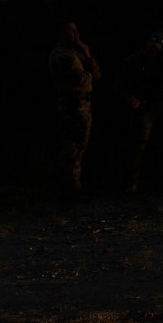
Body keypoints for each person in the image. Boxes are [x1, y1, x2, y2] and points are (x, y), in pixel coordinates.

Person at [113, 30, 163, 194]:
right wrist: (129, 98)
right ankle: (132, 183)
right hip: (143, 107)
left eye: (158, 45)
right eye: (152, 45)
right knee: (139, 143)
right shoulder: (133, 62)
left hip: (162, 105)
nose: (154, 49)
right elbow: (118, 84)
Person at [48, 20, 101, 202]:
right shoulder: (62, 55)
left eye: (76, 30)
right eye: (70, 30)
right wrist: (88, 67)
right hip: (72, 105)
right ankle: (67, 190)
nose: (75, 34)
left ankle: (74, 187)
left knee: (80, 146)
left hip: (82, 105)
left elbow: (97, 74)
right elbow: (83, 79)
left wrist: (87, 56)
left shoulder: (76, 53)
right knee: (71, 147)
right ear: (60, 33)